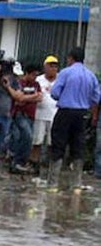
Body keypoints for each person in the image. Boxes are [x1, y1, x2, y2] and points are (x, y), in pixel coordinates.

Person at [48, 46, 101, 190]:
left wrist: (67, 96)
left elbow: (55, 93)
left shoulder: (66, 73)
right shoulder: (91, 76)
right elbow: (97, 97)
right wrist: (85, 102)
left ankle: (53, 184)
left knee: (58, 145)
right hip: (82, 114)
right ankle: (76, 184)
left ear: (71, 58)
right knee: (78, 147)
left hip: (65, 112)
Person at [31, 54, 59, 166]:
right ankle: (34, 162)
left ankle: (49, 164)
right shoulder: (38, 79)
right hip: (39, 115)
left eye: (55, 66)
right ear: (45, 67)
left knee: (52, 142)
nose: (53, 69)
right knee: (37, 141)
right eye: (50, 66)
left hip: (55, 115)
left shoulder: (60, 79)